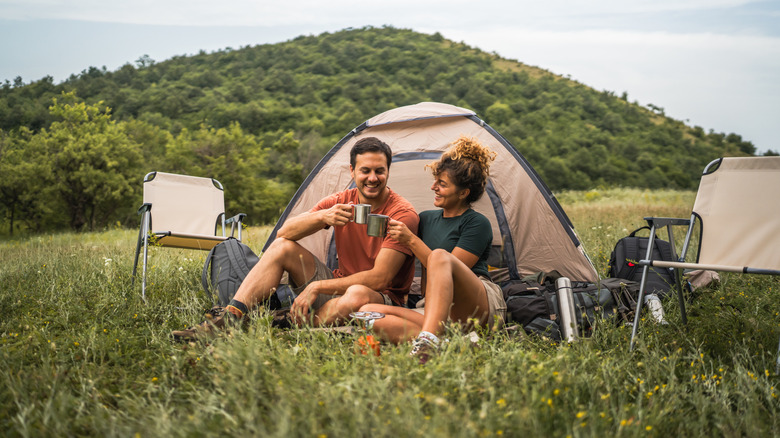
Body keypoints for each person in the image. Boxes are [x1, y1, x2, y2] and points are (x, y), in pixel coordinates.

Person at [173, 136, 419, 341]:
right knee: (282, 247)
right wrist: (323, 216)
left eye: (380, 171)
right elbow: (284, 234)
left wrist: (317, 286)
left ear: (388, 171)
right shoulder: (342, 201)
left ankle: (278, 323)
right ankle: (232, 316)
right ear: (353, 171)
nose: (373, 178)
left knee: (357, 293)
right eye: (365, 171)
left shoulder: (402, 213)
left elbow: (380, 278)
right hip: (338, 286)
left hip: (380, 298)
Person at [357, 136, 506, 363]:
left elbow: (447, 271)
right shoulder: (425, 219)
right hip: (435, 310)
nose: (433, 187)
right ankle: (450, 344)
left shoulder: (477, 223)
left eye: (442, 184)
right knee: (368, 313)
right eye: (436, 181)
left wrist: (411, 240)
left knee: (439, 256)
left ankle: (427, 341)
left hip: (477, 307)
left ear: (463, 192)